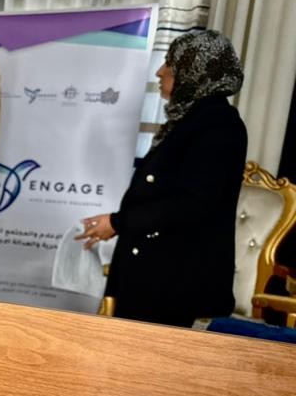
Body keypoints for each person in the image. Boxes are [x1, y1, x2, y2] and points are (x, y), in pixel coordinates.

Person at [78, 30, 247, 327]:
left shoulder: (219, 125)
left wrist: (119, 222)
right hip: (153, 278)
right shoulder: (190, 119)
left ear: (194, 71)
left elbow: (191, 204)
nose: (160, 71)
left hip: (174, 285)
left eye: (170, 62)